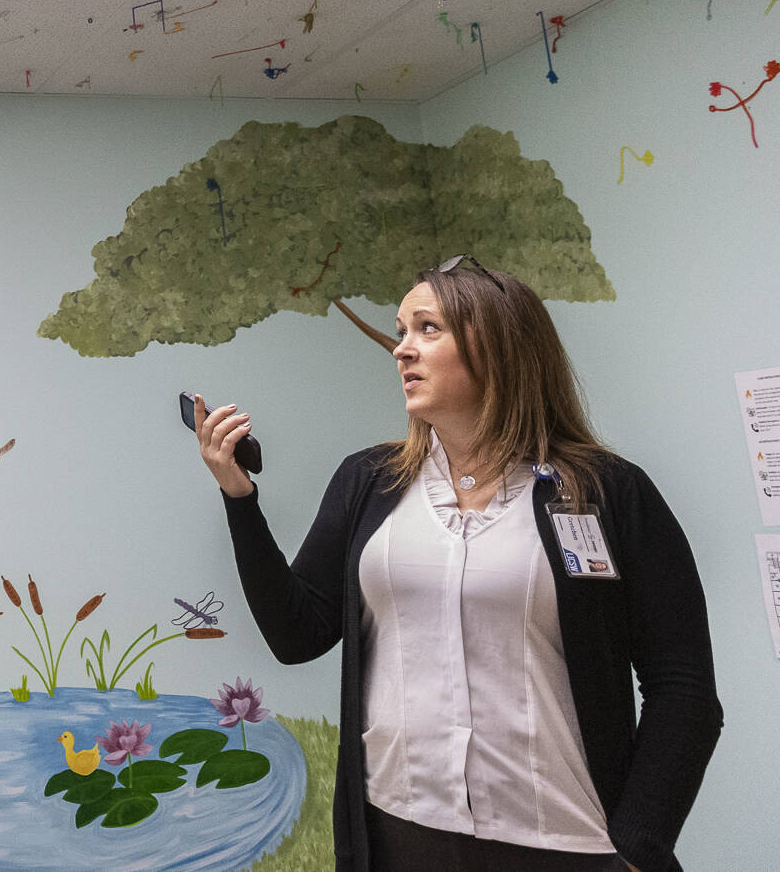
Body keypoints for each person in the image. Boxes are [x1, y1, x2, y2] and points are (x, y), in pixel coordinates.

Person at [194, 256, 721, 872]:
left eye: (427, 329)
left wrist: (638, 848)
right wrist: (240, 500)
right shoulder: (369, 481)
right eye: (400, 331)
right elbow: (297, 634)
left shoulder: (608, 493)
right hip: (397, 833)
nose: (401, 350)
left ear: (501, 346)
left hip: (568, 844)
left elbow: (683, 688)